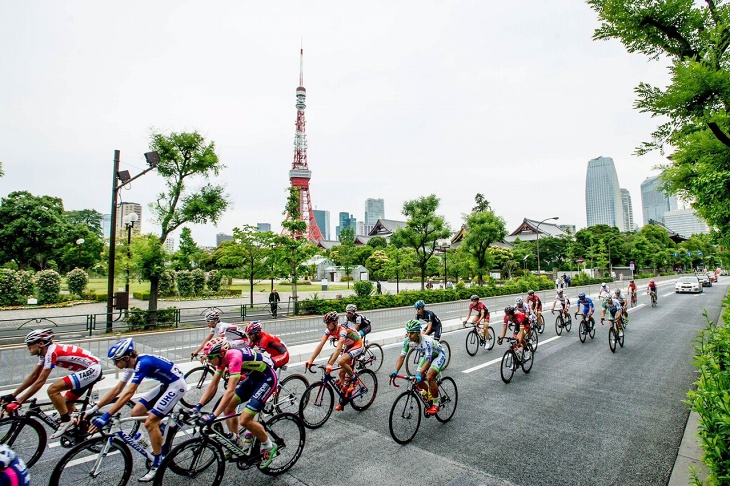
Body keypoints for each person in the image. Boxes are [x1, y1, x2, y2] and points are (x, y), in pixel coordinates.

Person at [88, 338, 189, 482]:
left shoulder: (143, 364)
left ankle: (157, 463)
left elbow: (129, 394)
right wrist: (95, 409)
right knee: (135, 412)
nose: (115, 364)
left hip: (176, 385)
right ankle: (162, 426)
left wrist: (106, 416)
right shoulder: (132, 365)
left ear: (126, 358)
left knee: (149, 423)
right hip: (167, 384)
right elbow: (118, 389)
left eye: (116, 361)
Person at [193, 337, 280, 468]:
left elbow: (230, 391)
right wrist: (198, 406)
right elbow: (213, 385)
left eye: (211, 357)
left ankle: (269, 446)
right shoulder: (221, 359)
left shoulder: (234, 358)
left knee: (245, 420)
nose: (209, 361)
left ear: (221, 354)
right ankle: (236, 440)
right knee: (228, 408)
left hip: (266, 379)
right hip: (253, 378)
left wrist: (213, 416)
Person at [1, 329, 101, 440]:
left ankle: (66, 421)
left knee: (52, 390)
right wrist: (13, 395)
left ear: (41, 344)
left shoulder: (51, 353)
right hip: (85, 370)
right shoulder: (44, 354)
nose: (27, 347)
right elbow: (34, 376)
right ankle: (79, 427)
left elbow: (40, 381)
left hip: (92, 369)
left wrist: (19, 402)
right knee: (65, 404)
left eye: (30, 344)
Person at [305, 311, 363, 411]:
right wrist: (311, 360)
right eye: (326, 323)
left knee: (341, 361)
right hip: (349, 345)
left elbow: (339, 347)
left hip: (357, 344)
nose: (327, 326)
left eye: (328, 323)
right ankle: (344, 399)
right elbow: (320, 345)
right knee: (340, 372)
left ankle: (354, 379)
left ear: (335, 322)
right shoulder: (328, 330)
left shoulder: (342, 331)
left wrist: (330, 364)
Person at [390, 320, 446, 416]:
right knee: (418, 380)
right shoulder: (408, 341)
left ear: (418, 332)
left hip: (438, 355)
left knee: (429, 377)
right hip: (428, 356)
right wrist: (395, 371)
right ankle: (429, 395)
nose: (409, 335)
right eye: (408, 332)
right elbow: (402, 357)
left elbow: (428, 360)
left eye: (412, 333)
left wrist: (420, 374)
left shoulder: (426, 341)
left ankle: (436, 404)